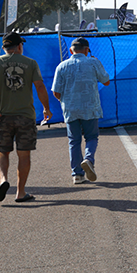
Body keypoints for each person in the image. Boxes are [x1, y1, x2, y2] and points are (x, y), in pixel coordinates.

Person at [0, 33, 52, 203]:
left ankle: (3, 179)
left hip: (1, 116)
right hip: (25, 116)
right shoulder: (31, 63)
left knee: (1, 151)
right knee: (24, 154)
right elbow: (40, 86)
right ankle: (20, 193)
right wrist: (46, 108)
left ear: (4, 47)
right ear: (20, 46)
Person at [51, 37, 111, 184]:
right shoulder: (93, 62)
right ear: (86, 50)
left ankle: (77, 175)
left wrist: (65, 101)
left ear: (71, 50)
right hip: (90, 108)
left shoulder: (62, 66)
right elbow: (106, 81)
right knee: (91, 137)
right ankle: (88, 159)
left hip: (71, 109)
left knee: (74, 141)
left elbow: (56, 91)